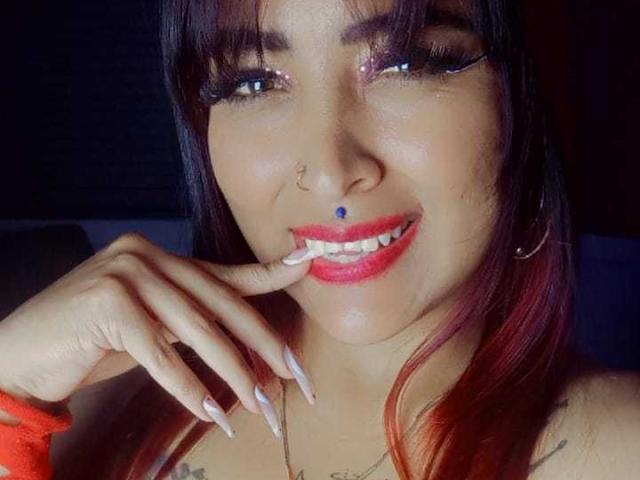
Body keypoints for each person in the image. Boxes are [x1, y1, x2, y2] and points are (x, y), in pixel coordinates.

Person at [1, 0, 639, 478]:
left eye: (405, 62)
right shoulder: (74, 407)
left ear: (516, 96)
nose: (330, 169)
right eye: (254, 82)